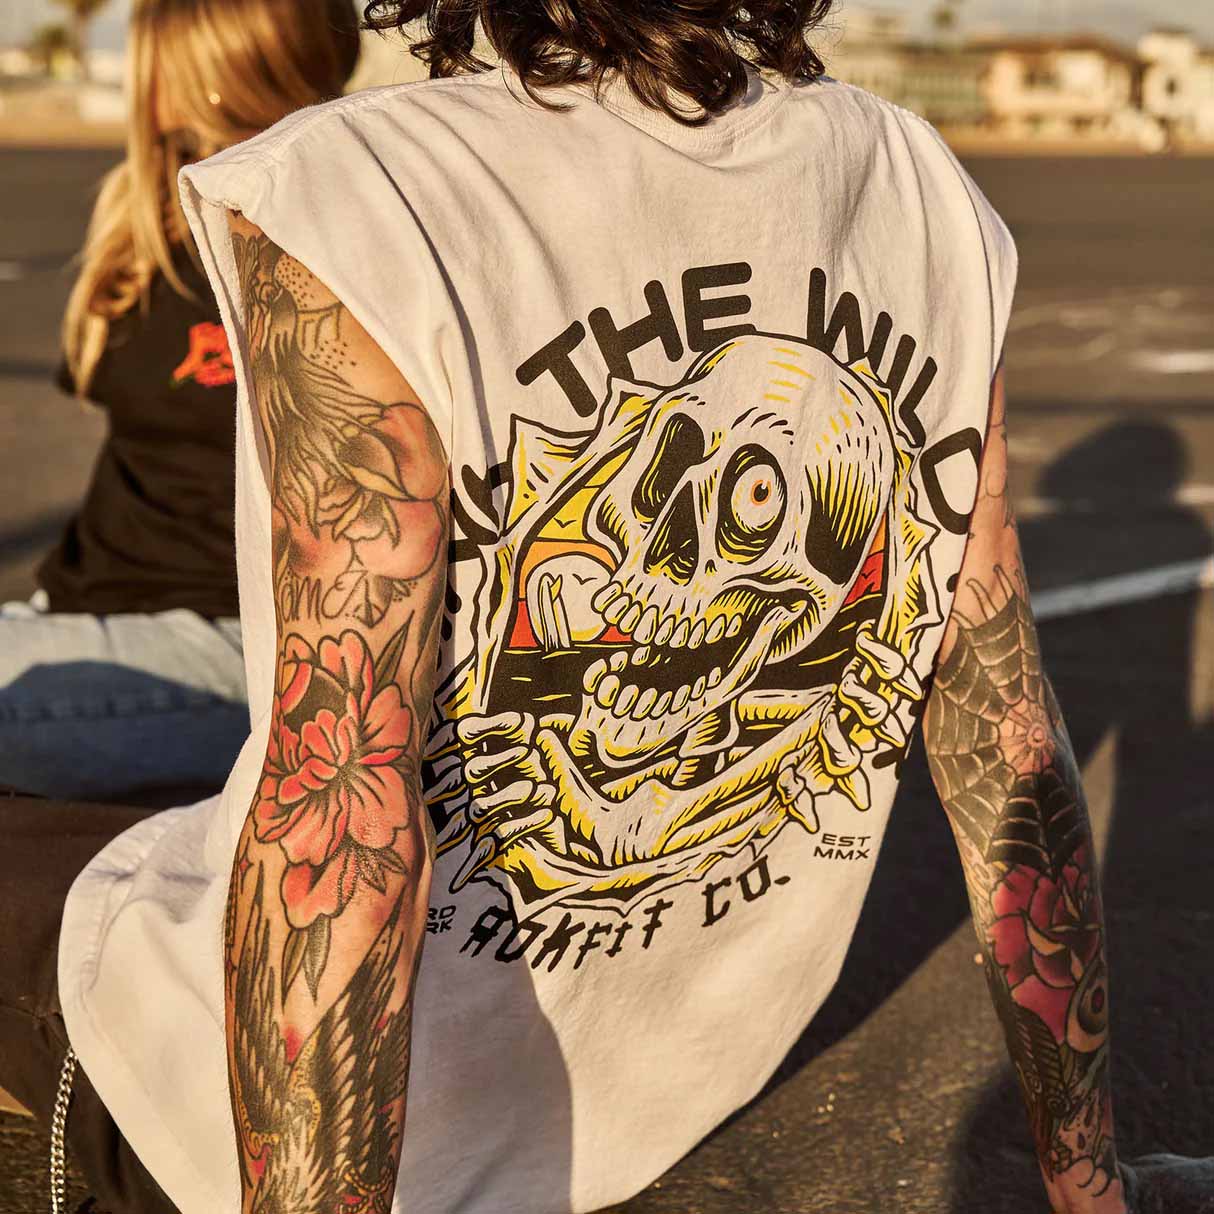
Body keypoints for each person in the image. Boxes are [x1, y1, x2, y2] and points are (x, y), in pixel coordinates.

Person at [0, 2, 1209, 1212]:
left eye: (748, 502)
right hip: (665, 1090)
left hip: (279, 1135)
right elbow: (1006, 738)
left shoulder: (360, 190)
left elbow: (342, 818)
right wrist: (1088, 1181)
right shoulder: (915, 184)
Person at [0, 0, 361, 803]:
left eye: (159, 62)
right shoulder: (140, 213)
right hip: (77, 607)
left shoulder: (329, 234)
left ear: (218, 73)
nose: (145, 84)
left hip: (238, 645)